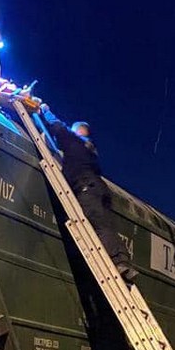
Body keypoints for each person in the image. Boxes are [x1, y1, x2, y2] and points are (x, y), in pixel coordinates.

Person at [39, 104, 138, 284]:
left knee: (99, 227)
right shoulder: (89, 150)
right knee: (106, 226)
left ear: (78, 131)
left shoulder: (73, 141)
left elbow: (58, 126)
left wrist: (44, 109)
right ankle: (123, 261)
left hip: (86, 188)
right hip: (100, 189)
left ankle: (118, 263)